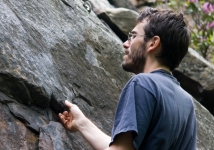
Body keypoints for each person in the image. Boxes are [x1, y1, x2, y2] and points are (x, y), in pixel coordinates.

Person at [59, 7, 197, 150]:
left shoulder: (143, 84)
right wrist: (83, 124)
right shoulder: (186, 103)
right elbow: (124, 146)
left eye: (133, 36)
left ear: (153, 43)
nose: (125, 43)